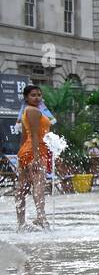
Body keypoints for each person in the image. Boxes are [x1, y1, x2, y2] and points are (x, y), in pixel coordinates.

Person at [15, 85, 50, 230]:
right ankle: (41, 217)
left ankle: (21, 222)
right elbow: (35, 135)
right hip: (35, 151)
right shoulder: (34, 111)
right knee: (39, 185)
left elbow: (24, 136)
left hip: (25, 151)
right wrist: (36, 157)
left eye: (39, 95)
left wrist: (20, 155)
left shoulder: (25, 112)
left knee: (21, 188)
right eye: (33, 95)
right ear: (26, 97)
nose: (37, 97)